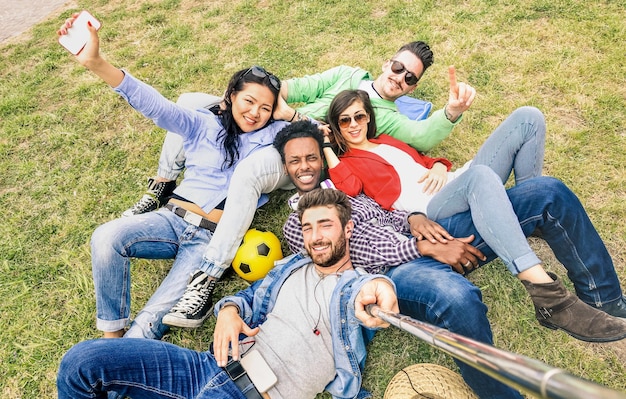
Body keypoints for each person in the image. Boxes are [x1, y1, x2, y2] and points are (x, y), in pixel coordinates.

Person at [274, 120, 626, 398]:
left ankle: (605, 300)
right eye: (295, 161)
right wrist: (423, 248)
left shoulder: (343, 190)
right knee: (459, 299)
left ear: (322, 158)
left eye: (311, 157)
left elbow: (386, 215)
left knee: (547, 192)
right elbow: (359, 253)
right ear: (287, 168)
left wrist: (415, 220)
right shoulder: (297, 224)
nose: (304, 166)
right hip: (394, 274)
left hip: (423, 236)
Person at [162, 41, 476, 327]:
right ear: (386, 63)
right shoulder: (346, 75)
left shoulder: (385, 117)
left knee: (249, 172)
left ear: (412, 87)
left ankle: (208, 275)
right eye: (398, 68)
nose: (399, 78)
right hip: (268, 118)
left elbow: (423, 137)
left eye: (409, 78)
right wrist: (256, 101)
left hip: (292, 149)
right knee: (189, 102)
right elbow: (295, 86)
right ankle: (162, 182)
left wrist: (451, 112)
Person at [323, 89, 626, 343]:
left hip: (455, 181)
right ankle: (546, 293)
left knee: (528, 117)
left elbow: (426, 161)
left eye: (359, 116)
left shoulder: (386, 141)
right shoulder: (346, 163)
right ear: (336, 126)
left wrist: (440, 166)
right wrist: (328, 147)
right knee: (480, 175)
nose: (353, 124)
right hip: (434, 210)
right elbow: (348, 188)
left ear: (368, 118)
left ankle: (528, 221)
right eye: (344, 120)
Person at [57, 15, 291, 338]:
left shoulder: (275, 135)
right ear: (231, 96)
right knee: (106, 237)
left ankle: (128, 347)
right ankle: (111, 337)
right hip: (170, 221)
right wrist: (97, 63)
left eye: (265, 108)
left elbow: (320, 140)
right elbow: (155, 105)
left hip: (210, 240)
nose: (255, 113)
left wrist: (287, 115)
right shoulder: (202, 124)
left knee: (146, 327)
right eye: (249, 101)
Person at [56, 188, 399, 399]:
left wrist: (380, 287)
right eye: (308, 227)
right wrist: (228, 311)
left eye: (326, 225)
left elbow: (365, 292)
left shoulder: (356, 286)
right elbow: (250, 297)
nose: (316, 236)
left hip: (251, 393)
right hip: (206, 366)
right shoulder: (292, 266)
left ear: (348, 228)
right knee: (82, 362)